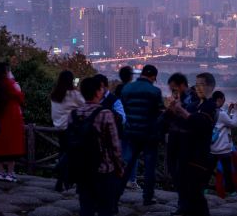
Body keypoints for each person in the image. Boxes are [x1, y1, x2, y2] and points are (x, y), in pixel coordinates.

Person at [71, 77, 124, 216]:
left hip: (82, 167)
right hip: (104, 168)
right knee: (105, 208)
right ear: (97, 92)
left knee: (86, 205)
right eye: (101, 89)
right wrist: (119, 167)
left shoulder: (74, 113)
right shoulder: (105, 114)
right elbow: (114, 145)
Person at [120, 64, 165, 205]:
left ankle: (115, 194)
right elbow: (160, 113)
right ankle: (147, 197)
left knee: (127, 164)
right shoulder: (155, 91)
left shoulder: (126, 88)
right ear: (153, 77)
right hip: (149, 135)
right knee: (149, 167)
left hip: (131, 132)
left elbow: (125, 109)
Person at [160, 72, 192, 215]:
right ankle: (182, 203)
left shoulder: (192, 99)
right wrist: (170, 110)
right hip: (173, 137)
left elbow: (192, 119)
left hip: (185, 140)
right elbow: (165, 120)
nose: (172, 92)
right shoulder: (175, 99)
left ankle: (185, 205)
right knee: (174, 172)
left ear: (182, 86)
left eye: (174, 88)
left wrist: (179, 109)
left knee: (183, 174)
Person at [51, 70, 85, 192]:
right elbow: (85, 105)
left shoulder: (55, 94)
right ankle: (66, 181)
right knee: (71, 155)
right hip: (70, 130)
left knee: (64, 153)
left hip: (58, 128)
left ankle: (62, 182)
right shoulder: (73, 94)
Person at [0, 62, 25, 183]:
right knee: (12, 145)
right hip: (12, 116)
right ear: (6, 71)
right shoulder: (11, 84)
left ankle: (1, 172)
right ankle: (11, 173)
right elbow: (20, 96)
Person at [210, 91, 237, 198]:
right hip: (223, 148)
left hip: (212, 147)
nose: (224, 101)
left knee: (208, 171)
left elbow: (221, 123)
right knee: (227, 172)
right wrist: (236, 111)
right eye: (223, 99)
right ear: (220, 99)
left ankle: (203, 189)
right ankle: (232, 192)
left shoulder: (211, 111)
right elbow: (233, 124)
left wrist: (229, 110)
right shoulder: (221, 113)